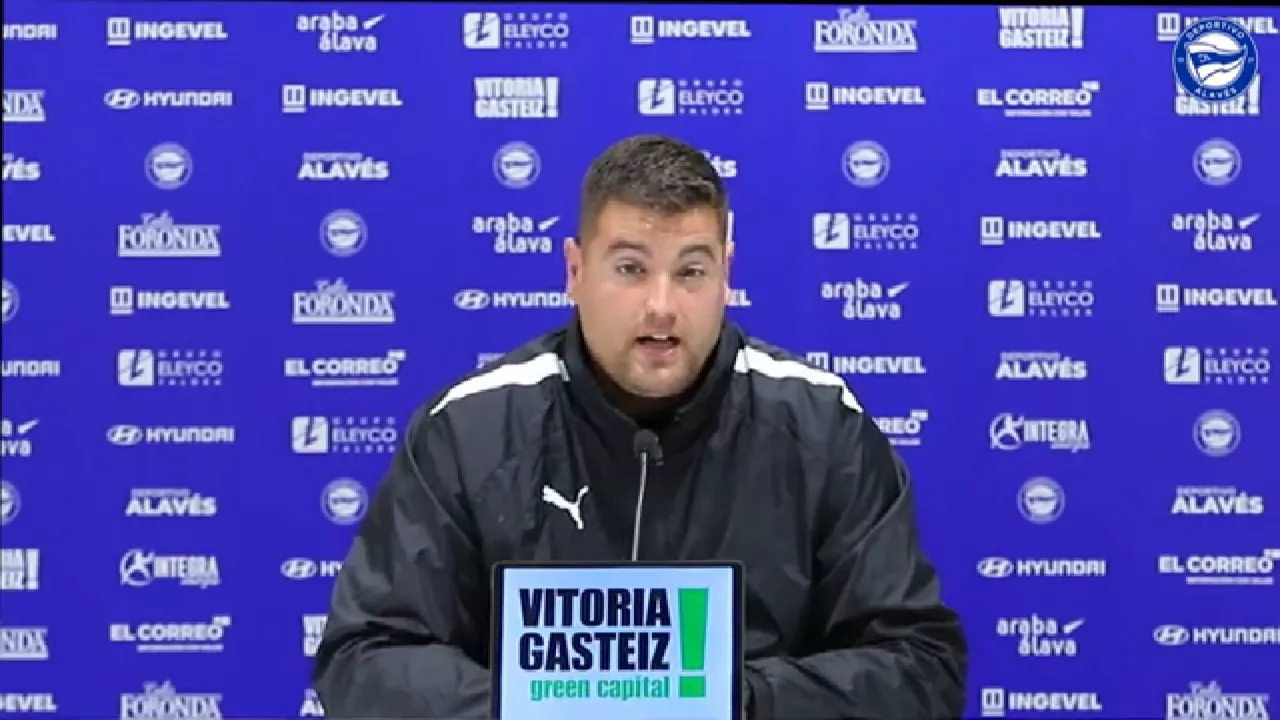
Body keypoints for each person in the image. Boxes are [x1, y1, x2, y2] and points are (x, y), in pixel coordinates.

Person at [312, 134, 968, 719]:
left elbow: (920, 665)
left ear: (726, 274)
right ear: (574, 271)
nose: (661, 305)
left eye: (691, 272)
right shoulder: (470, 430)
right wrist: (541, 708)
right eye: (630, 268)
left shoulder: (821, 426)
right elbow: (366, 656)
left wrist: (738, 703)